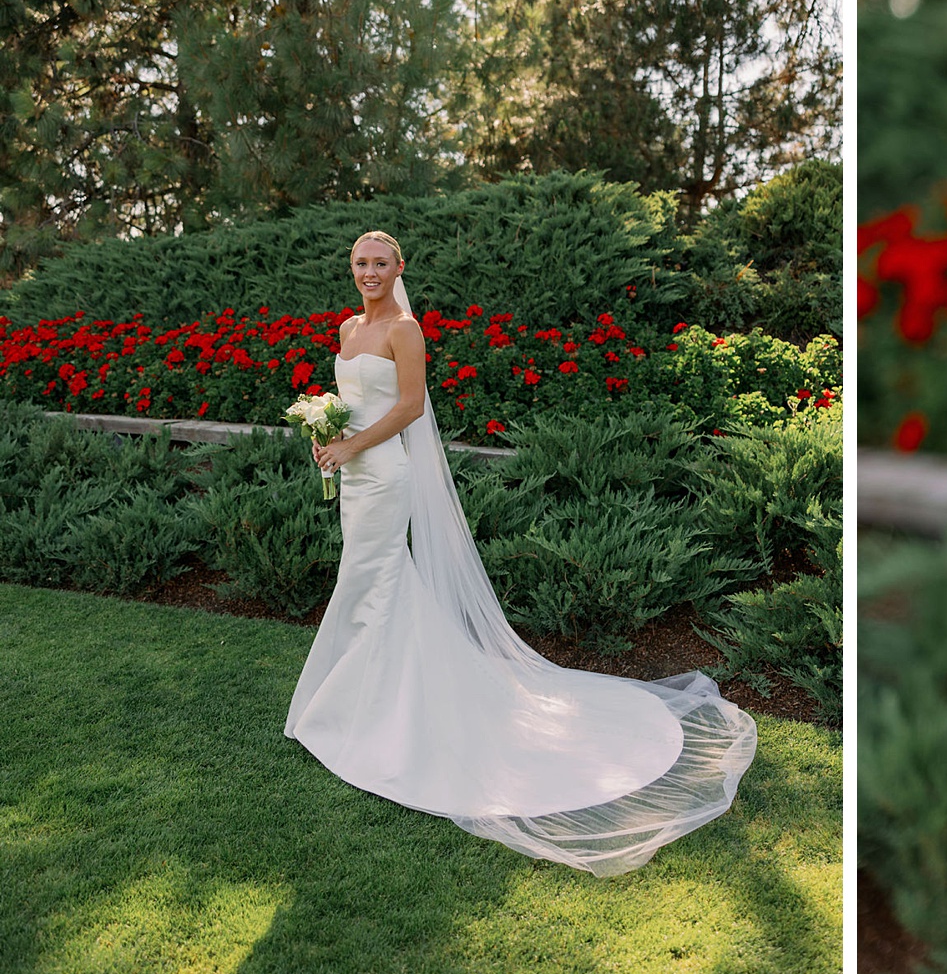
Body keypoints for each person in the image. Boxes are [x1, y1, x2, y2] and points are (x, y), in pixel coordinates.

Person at [285, 231, 757, 876]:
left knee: (379, 576)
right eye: (361, 263)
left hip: (387, 474)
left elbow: (411, 406)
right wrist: (329, 435)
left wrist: (354, 445)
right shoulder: (345, 329)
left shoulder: (405, 329)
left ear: (400, 268)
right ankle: (365, 702)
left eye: (380, 263)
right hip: (354, 475)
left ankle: (382, 715)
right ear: (352, 268)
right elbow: (351, 399)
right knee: (365, 581)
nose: (370, 272)